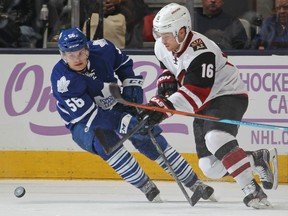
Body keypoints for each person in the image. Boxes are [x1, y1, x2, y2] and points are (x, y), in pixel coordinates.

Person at [50, 27, 216, 204]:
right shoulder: (63, 81)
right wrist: (123, 120)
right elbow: (92, 116)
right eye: (71, 55)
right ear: (63, 55)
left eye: (81, 53)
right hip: (84, 121)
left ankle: (194, 183)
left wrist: (132, 89)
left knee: (146, 131)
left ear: (87, 49)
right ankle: (145, 186)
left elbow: (124, 65)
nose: (77, 59)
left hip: (114, 103)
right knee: (106, 143)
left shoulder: (103, 48)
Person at [138, 3, 277, 209]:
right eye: (159, 34)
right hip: (204, 101)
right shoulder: (162, 45)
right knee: (210, 167)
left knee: (216, 138)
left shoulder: (202, 51)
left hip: (228, 94)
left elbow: (194, 95)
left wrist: (162, 109)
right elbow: (168, 69)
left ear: (182, 31)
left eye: (167, 34)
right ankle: (256, 158)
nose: (161, 40)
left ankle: (252, 189)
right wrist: (164, 90)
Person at [80, 0, 149, 48]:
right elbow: (80, 13)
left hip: (128, 42)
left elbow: (139, 12)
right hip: (91, 45)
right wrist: (99, 6)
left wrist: (118, 5)